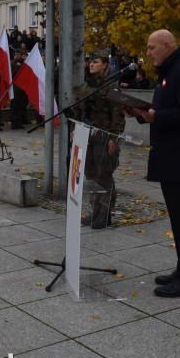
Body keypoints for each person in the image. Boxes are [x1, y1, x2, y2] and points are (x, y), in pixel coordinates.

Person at [126, 30, 180, 298]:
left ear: (167, 45)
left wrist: (155, 117)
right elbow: (161, 111)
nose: (148, 53)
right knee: (178, 218)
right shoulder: (169, 71)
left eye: (151, 48)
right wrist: (139, 113)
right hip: (170, 155)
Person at [72, 48, 125, 229]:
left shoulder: (111, 86)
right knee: (90, 175)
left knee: (104, 175)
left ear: (104, 65)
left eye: (96, 62)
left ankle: (105, 213)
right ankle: (95, 210)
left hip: (104, 137)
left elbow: (117, 115)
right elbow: (78, 111)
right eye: (90, 62)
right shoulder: (85, 86)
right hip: (86, 136)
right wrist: (74, 129)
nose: (91, 64)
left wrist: (114, 139)